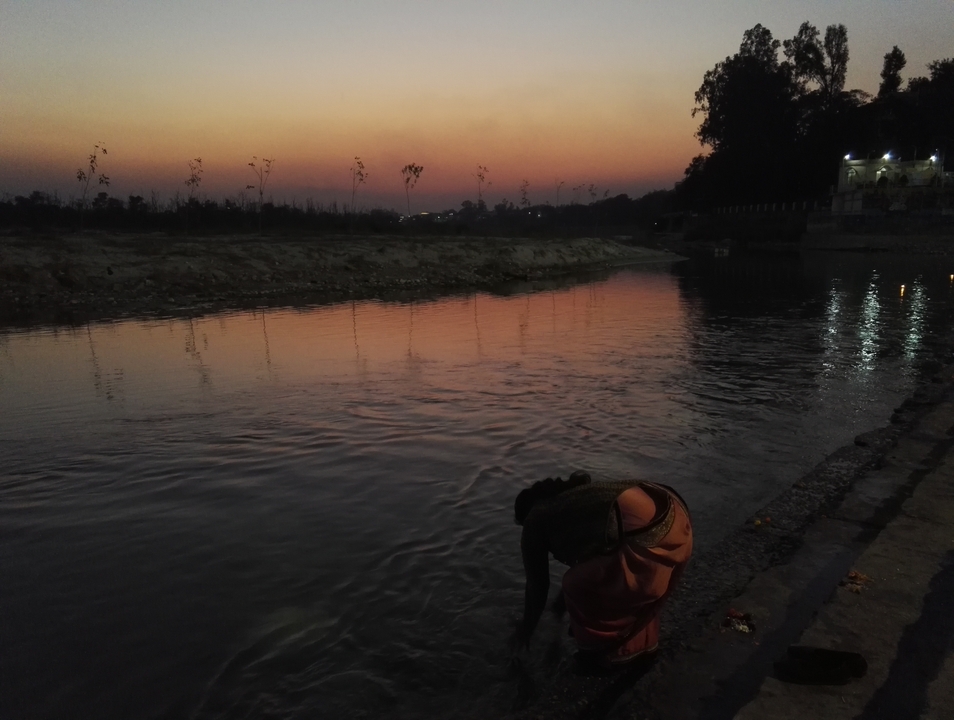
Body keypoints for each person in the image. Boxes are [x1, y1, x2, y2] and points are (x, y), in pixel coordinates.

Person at [511, 470, 692, 667]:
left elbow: (537, 586)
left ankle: (607, 652)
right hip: (678, 522)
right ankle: (642, 644)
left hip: (647, 540)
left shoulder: (535, 518)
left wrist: (526, 630)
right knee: (597, 578)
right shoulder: (573, 502)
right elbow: (597, 554)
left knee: (575, 584)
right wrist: (558, 608)